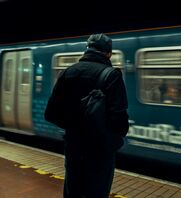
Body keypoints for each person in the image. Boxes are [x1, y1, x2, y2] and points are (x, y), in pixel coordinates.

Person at [44, 33, 129, 198]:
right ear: (109, 53)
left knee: (73, 193)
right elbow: (120, 123)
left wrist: (74, 126)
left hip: (74, 148)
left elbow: (51, 113)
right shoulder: (112, 76)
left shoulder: (67, 73)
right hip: (100, 152)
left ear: (87, 49)